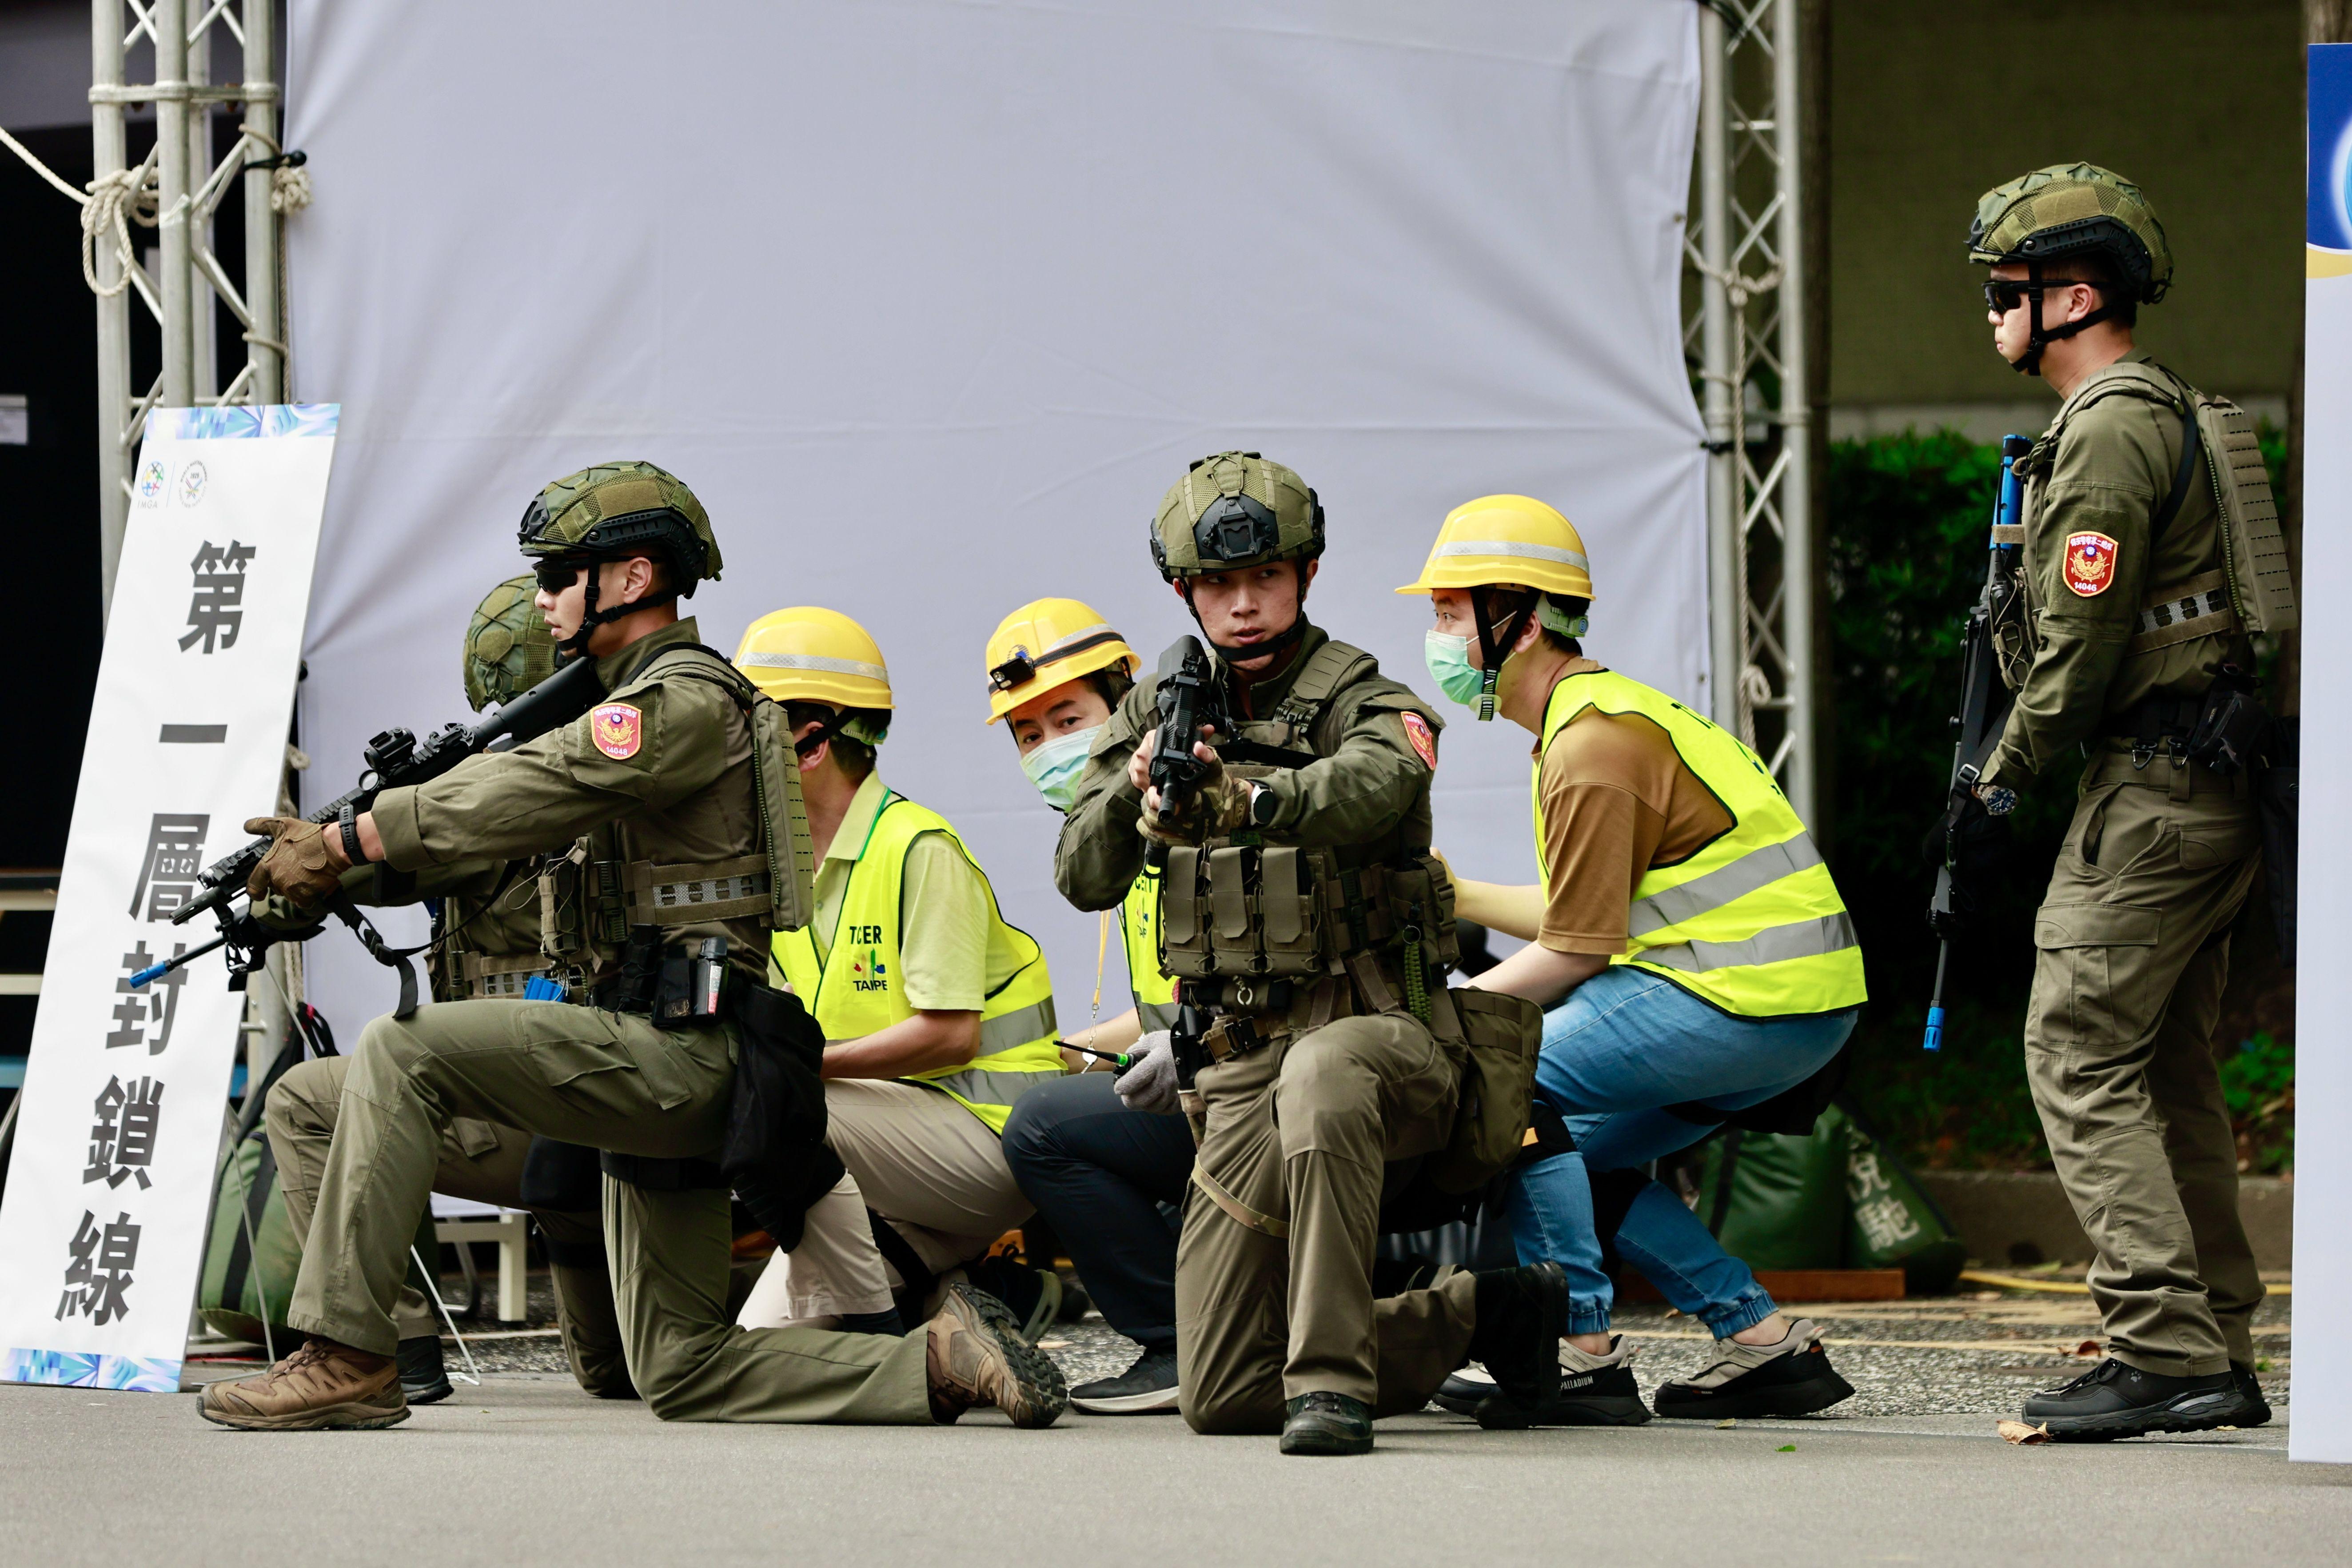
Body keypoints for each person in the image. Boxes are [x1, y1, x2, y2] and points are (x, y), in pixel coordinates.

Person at [199, 461, 1064, 1432]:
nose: (543, 598)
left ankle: (349, 1356)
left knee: (404, 1050)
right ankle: (936, 1362)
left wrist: (354, 837)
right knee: (681, 1369)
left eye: (559, 573)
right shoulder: (630, 705)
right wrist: (310, 882)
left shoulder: (680, 701)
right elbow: (496, 835)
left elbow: (532, 786)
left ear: (636, 576)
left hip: (678, 1055)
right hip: (657, 1063)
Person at [1055, 450, 1568, 1455]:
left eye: (1265, 579)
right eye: (1217, 585)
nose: (1243, 605)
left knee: (1324, 1070)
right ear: (1182, 589)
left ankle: (1330, 1384)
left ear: (1306, 576)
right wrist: (1140, 786)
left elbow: (1380, 783)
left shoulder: (1362, 695)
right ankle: (1480, 1313)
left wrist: (1246, 796)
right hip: (1239, 1067)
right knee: (1222, 1393)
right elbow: (1081, 875)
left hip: (1384, 1040)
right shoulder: (1160, 703)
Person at [1398, 493, 1863, 1424]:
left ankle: (1577, 1348)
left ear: (1517, 621)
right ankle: (1762, 1344)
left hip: (1735, 1000)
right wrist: (1459, 895)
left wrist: (1438, 1024)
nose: (1436, 634)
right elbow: (1592, 912)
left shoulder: (1591, 745)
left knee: (1510, 1085)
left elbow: (1573, 950)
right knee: (1587, 1156)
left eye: (1450, 611)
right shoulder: (1605, 715)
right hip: (1791, 1005)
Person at [1965, 164, 2273, 1438]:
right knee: (2166, 1070)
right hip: (2202, 786)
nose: (1987, 310)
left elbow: (2080, 644)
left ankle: (2159, 1347)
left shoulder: (2102, 428)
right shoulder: (2164, 414)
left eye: (2004, 289)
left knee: (2076, 1051)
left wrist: (1998, 782)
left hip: (2146, 797)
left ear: (2071, 293)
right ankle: (2212, 1344)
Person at [262, 576, 629, 1406]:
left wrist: (328, 859)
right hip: (539, 1121)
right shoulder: (490, 792)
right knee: (311, 1099)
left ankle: (387, 1342)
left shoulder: (507, 799)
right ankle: (389, 1341)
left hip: (587, 1116)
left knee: (630, 1372)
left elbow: (385, 858)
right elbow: (361, 876)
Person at [732, 607, 1070, 1342]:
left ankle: (882, 1324)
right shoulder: (783, 870)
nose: (729, 751)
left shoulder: (917, 847)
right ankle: (978, 1292)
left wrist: (807, 1068)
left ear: (812, 739)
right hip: (896, 1152)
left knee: (774, 1103)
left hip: (989, 1141)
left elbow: (950, 1036)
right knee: (766, 1347)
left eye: (745, 730)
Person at [989, 598, 1194, 1413]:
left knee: (1042, 1128)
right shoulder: (1122, 843)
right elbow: (1162, 1003)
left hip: (1247, 1074)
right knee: (1063, 1090)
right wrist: (1079, 1045)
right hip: (1203, 1058)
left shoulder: (1179, 813)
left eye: (1068, 717)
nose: (1049, 747)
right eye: (1028, 734)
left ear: (1126, 704)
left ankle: (1179, 1338)